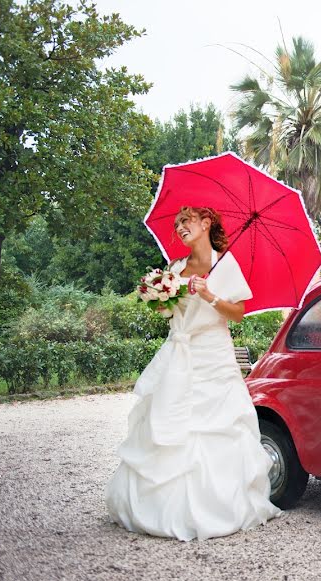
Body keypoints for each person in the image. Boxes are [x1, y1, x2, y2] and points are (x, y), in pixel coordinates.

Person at [106, 206, 281, 541]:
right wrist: (159, 298)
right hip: (179, 351)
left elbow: (238, 314)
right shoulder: (175, 268)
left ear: (205, 223)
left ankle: (219, 508)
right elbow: (168, 312)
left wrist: (209, 294)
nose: (180, 227)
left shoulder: (225, 264)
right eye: (177, 223)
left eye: (185, 221)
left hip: (213, 356)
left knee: (213, 425)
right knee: (169, 420)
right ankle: (156, 506)